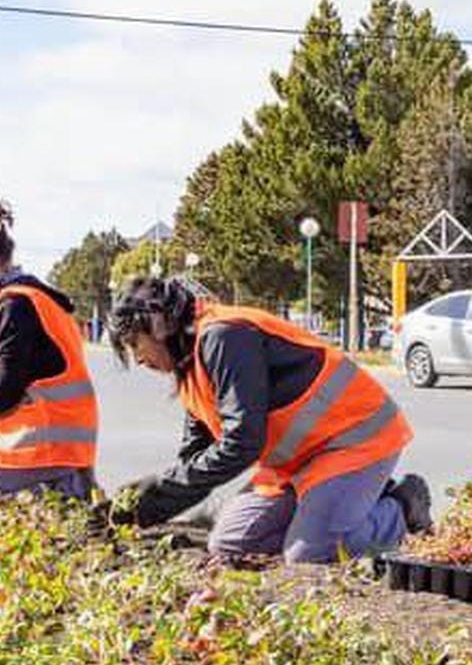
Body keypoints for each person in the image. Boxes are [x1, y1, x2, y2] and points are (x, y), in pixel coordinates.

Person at [105, 276, 431, 563]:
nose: (138, 359)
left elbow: (242, 443)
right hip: (297, 463)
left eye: (135, 344)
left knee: (310, 554)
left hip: (355, 441)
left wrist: (154, 499)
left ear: (161, 326)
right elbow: (196, 458)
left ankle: (401, 507)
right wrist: (139, 505)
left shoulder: (225, 336)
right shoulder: (189, 364)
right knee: (230, 545)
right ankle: (338, 508)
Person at [0, 201, 97, 499]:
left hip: (34, 463)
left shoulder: (17, 306)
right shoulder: (31, 300)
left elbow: (5, 390)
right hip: (52, 460)